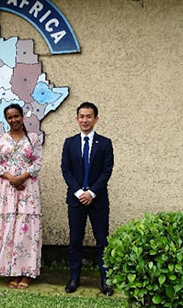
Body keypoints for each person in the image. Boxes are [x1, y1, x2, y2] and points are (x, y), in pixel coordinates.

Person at [0, 103, 43, 289]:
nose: (14, 120)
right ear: (6, 119)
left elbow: (38, 161)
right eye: (10, 117)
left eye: (16, 116)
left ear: (22, 116)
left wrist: (22, 177)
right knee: (8, 228)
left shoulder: (33, 138)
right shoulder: (1, 138)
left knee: (26, 230)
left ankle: (27, 273)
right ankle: (11, 271)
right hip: (6, 190)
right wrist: (12, 178)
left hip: (28, 189)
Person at [61, 101, 114, 295]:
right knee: (75, 240)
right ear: (77, 119)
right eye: (81, 116)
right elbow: (66, 170)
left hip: (98, 200)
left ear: (96, 119)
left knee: (102, 241)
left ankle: (105, 279)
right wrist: (79, 193)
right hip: (76, 201)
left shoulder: (105, 143)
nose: (85, 120)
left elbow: (107, 171)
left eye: (89, 116)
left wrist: (91, 193)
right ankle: (74, 278)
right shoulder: (69, 142)